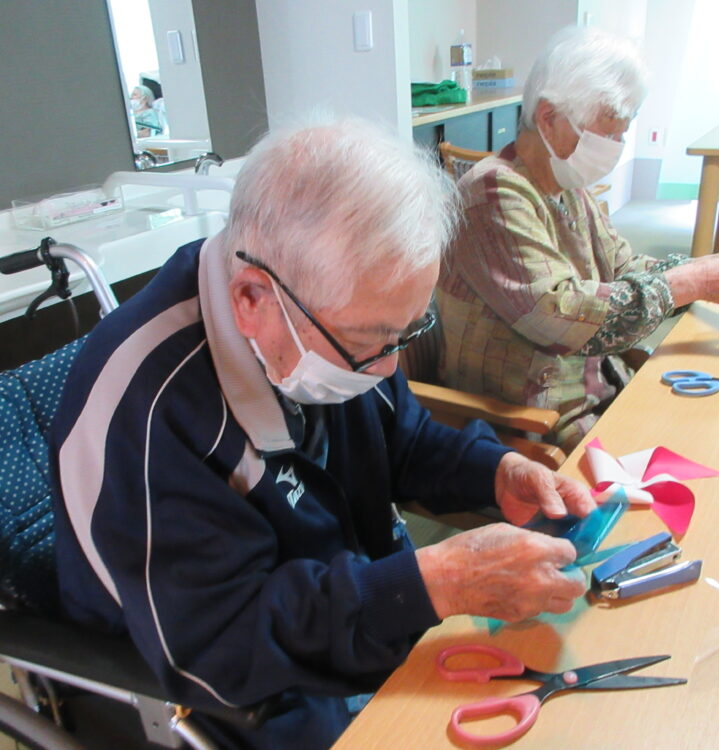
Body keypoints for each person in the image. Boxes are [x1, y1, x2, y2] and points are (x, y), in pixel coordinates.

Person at [50, 116, 598, 749]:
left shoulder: (325, 315)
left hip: (345, 614)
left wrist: (495, 471)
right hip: (235, 684)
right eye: (371, 341)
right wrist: (434, 584)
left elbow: (405, 442)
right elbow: (220, 648)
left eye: (404, 333)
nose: (390, 366)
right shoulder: (149, 412)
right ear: (252, 298)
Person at [436, 27, 719, 452]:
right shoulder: (493, 194)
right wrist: (694, 281)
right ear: (549, 118)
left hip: (594, 388)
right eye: (609, 134)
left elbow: (624, 268)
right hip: (532, 420)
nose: (617, 146)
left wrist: (703, 271)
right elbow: (560, 318)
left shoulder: (564, 185)